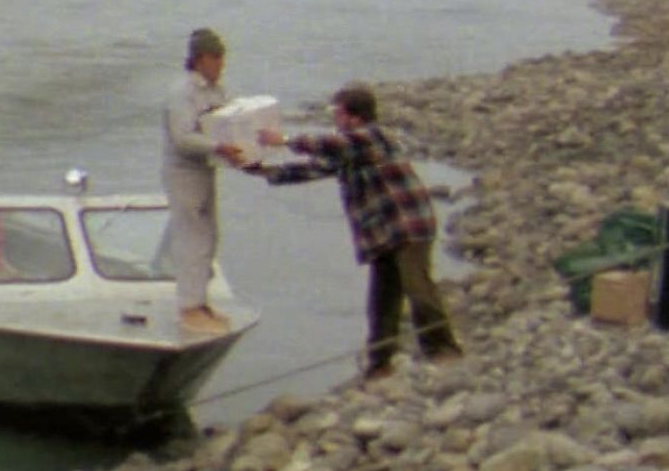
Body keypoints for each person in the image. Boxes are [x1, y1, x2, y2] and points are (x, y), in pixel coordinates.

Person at [246, 83, 463, 380]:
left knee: (418, 288)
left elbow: (332, 145)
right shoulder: (351, 149)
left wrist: (283, 140)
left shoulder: (375, 137)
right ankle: (380, 363)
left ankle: (443, 350)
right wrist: (259, 170)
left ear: (355, 117)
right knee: (382, 298)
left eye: (338, 114)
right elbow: (314, 168)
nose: (335, 120)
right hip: (383, 233)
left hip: (409, 224)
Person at [162, 27, 246, 336]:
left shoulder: (217, 91)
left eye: (222, 57)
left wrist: (245, 151)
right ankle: (188, 306)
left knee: (210, 235)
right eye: (216, 57)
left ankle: (201, 300)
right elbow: (183, 137)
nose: (221, 63)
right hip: (183, 172)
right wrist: (217, 147)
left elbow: (230, 122)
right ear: (199, 59)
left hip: (207, 169)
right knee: (191, 236)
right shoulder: (182, 92)